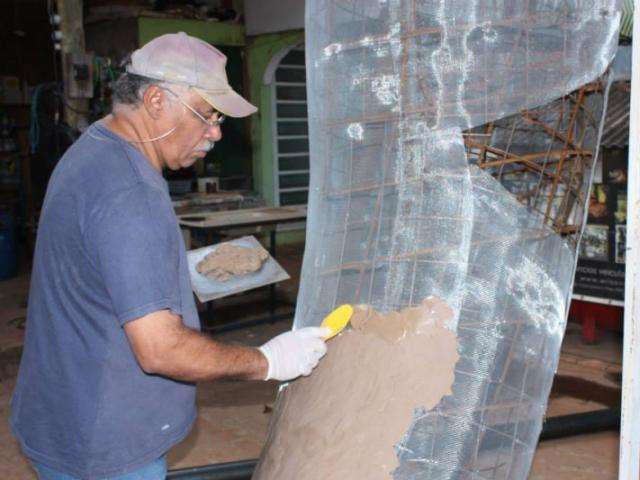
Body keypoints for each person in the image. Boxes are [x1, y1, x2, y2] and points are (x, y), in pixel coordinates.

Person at [10, 32, 329, 480]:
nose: (216, 132)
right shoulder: (132, 192)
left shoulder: (93, 148)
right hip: (105, 443)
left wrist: (178, 272)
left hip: (60, 411)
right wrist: (268, 361)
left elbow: (95, 268)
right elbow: (161, 350)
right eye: (207, 114)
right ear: (156, 100)